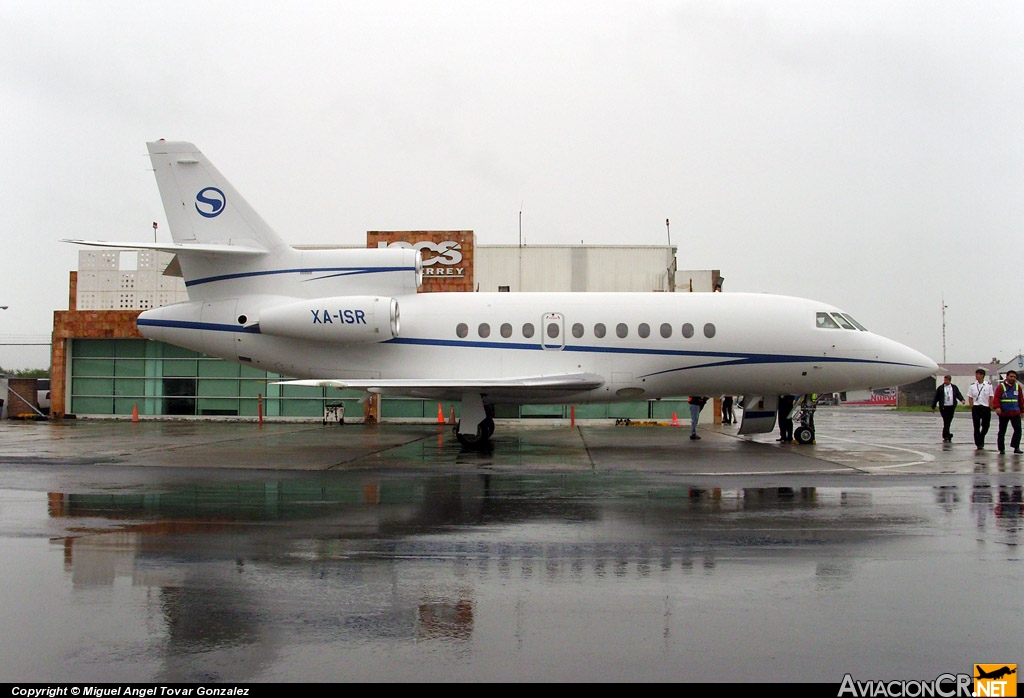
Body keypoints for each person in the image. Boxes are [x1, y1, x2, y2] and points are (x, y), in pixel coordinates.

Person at [993, 370, 1024, 454]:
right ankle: (1001, 449)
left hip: (1015, 412)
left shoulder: (1018, 387)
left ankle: (1016, 447)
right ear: (1007, 377)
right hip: (1004, 413)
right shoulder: (1001, 387)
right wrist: (997, 407)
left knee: (1018, 430)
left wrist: (1022, 411)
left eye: (1014, 377)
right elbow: (996, 398)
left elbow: (1021, 400)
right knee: (1002, 431)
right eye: (1011, 376)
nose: (1013, 378)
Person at [931, 375, 965, 443]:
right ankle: (947, 435)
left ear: (949, 380)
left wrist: (962, 400)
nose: (945, 381)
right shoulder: (940, 388)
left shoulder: (954, 387)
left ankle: (946, 435)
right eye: (944, 380)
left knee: (948, 421)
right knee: (946, 420)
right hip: (944, 407)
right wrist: (933, 406)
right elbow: (936, 397)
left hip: (951, 406)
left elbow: (958, 394)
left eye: (946, 380)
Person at [967, 368, 994, 450]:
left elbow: (991, 396)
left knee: (986, 426)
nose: (976, 376)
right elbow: (970, 397)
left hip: (985, 407)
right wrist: (972, 406)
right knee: (976, 426)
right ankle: (978, 443)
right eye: (976, 374)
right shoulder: (972, 386)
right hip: (976, 407)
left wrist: (990, 406)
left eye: (978, 374)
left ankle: (981, 437)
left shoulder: (988, 385)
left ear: (982, 375)